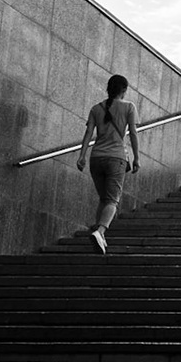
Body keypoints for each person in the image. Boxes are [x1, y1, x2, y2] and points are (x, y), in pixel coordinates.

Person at [74, 74, 139, 254]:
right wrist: (137, 158)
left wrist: (82, 155)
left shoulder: (96, 108)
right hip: (116, 158)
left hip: (96, 159)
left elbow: (88, 133)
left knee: (104, 199)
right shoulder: (129, 107)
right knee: (112, 200)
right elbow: (133, 134)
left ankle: (98, 236)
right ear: (124, 91)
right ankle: (101, 231)